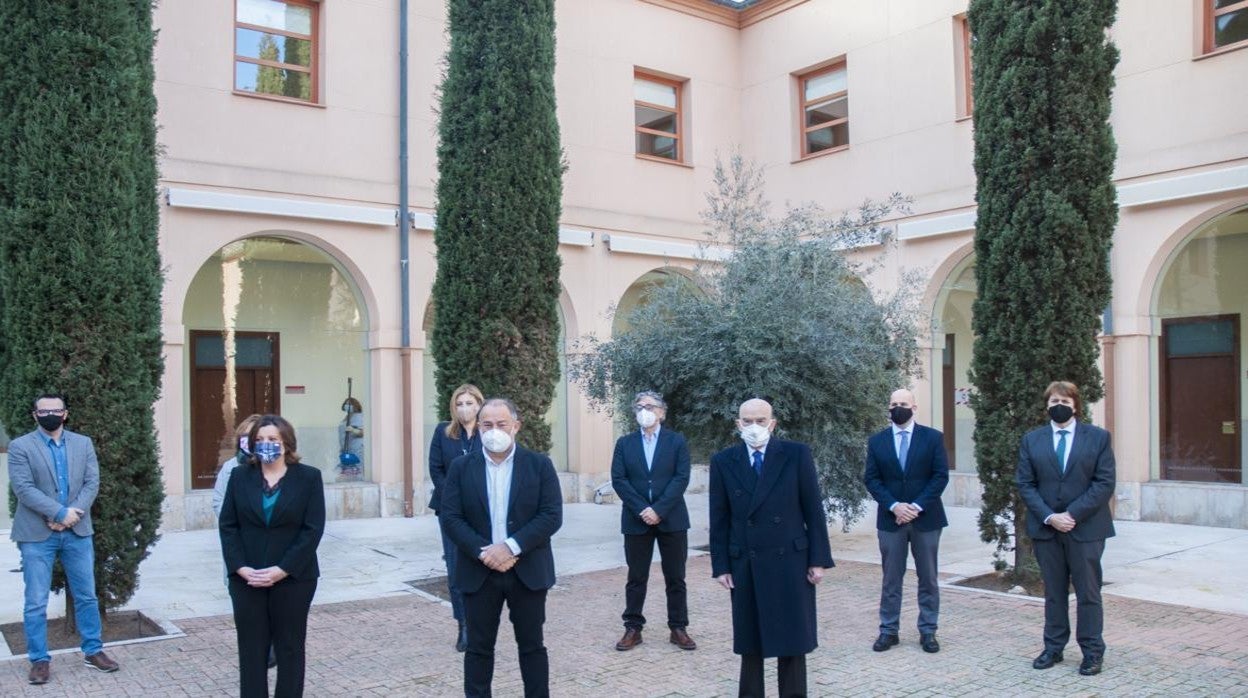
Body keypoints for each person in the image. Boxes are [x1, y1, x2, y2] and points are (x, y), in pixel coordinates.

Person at [709, 398, 833, 698]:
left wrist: (818, 559)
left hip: (790, 559)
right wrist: (721, 565)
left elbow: (813, 509)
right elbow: (719, 517)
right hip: (746, 563)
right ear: (738, 424)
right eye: (748, 421)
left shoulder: (796, 454)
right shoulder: (724, 461)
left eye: (761, 421)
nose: (754, 427)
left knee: (792, 640)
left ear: (773, 423)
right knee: (750, 641)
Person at [441, 398, 562, 698]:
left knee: (532, 646)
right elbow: (451, 517)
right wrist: (485, 552)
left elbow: (551, 515)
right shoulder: (461, 467)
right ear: (478, 428)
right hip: (478, 571)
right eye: (487, 425)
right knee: (479, 649)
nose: (493, 430)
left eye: (501, 424)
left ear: (516, 426)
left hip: (527, 570)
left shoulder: (539, 465)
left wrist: (509, 547)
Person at [7, 393, 119, 686]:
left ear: (65, 414)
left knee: (86, 595)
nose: (50, 415)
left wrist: (72, 515)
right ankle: (39, 660)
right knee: (35, 600)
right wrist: (58, 512)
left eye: (56, 410)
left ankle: (93, 651)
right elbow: (23, 488)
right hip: (36, 534)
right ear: (35, 415)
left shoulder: (83, 443)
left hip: (77, 531)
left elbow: (91, 482)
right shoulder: (20, 446)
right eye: (44, 411)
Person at [219, 414, 326, 697]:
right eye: (260, 440)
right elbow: (228, 526)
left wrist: (283, 569)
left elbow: (312, 530)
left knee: (290, 649)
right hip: (247, 580)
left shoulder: (309, 478)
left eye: (272, 440)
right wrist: (240, 567)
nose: (266, 445)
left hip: (293, 579)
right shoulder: (239, 476)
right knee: (251, 651)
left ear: (286, 443)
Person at [1017, 381, 1116, 677]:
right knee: (1054, 592)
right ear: (1046, 405)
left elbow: (1104, 483)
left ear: (1075, 405)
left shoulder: (1098, 438)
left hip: (1085, 529)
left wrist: (1072, 514)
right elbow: (1025, 483)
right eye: (1053, 400)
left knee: (1088, 593)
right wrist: (1050, 517)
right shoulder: (1032, 440)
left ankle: (1092, 651)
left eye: (1064, 400)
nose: (1058, 404)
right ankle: (1053, 647)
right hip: (1047, 530)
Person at [863, 388, 949, 654]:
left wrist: (916, 506)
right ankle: (888, 631)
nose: (897, 407)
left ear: (914, 407)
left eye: (903, 403)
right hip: (891, 520)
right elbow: (872, 479)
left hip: (926, 518)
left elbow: (940, 476)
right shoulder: (877, 441)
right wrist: (894, 506)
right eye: (893, 403)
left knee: (928, 578)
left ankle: (928, 631)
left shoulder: (933, 438)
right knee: (891, 578)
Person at [610, 390, 695, 651]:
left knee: (676, 577)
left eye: (649, 406)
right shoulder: (625, 443)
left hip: (671, 519)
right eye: (639, 406)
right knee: (636, 577)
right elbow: (619, 479)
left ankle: (678, 627)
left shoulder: (676, 441)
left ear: (661, 412)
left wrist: (658, 509)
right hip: (636, 520)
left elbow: (681, 478)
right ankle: (633, 628)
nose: (644, 411)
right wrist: (642, 509)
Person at [428, 383, 484, 651]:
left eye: (469, 403)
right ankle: (463, 625)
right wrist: (453, 498)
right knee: (455, 566)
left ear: (479, 405)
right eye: (459, 404)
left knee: (482, 563)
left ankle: (479, 621)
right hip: (450, 511)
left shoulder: (488, 432)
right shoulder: (443, 432)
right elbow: (436, 469)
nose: (464, 409)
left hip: (482, 509)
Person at [337, 397, 364, 481]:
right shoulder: (347, 417)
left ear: (355, 405)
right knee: (346, 471)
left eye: (349, 404)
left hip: (356, 449)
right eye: (346, 403)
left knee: (355, 471)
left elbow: (363, 432)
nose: (347, 405)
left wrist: (353, 430)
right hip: (346, 449)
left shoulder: (358, 416)